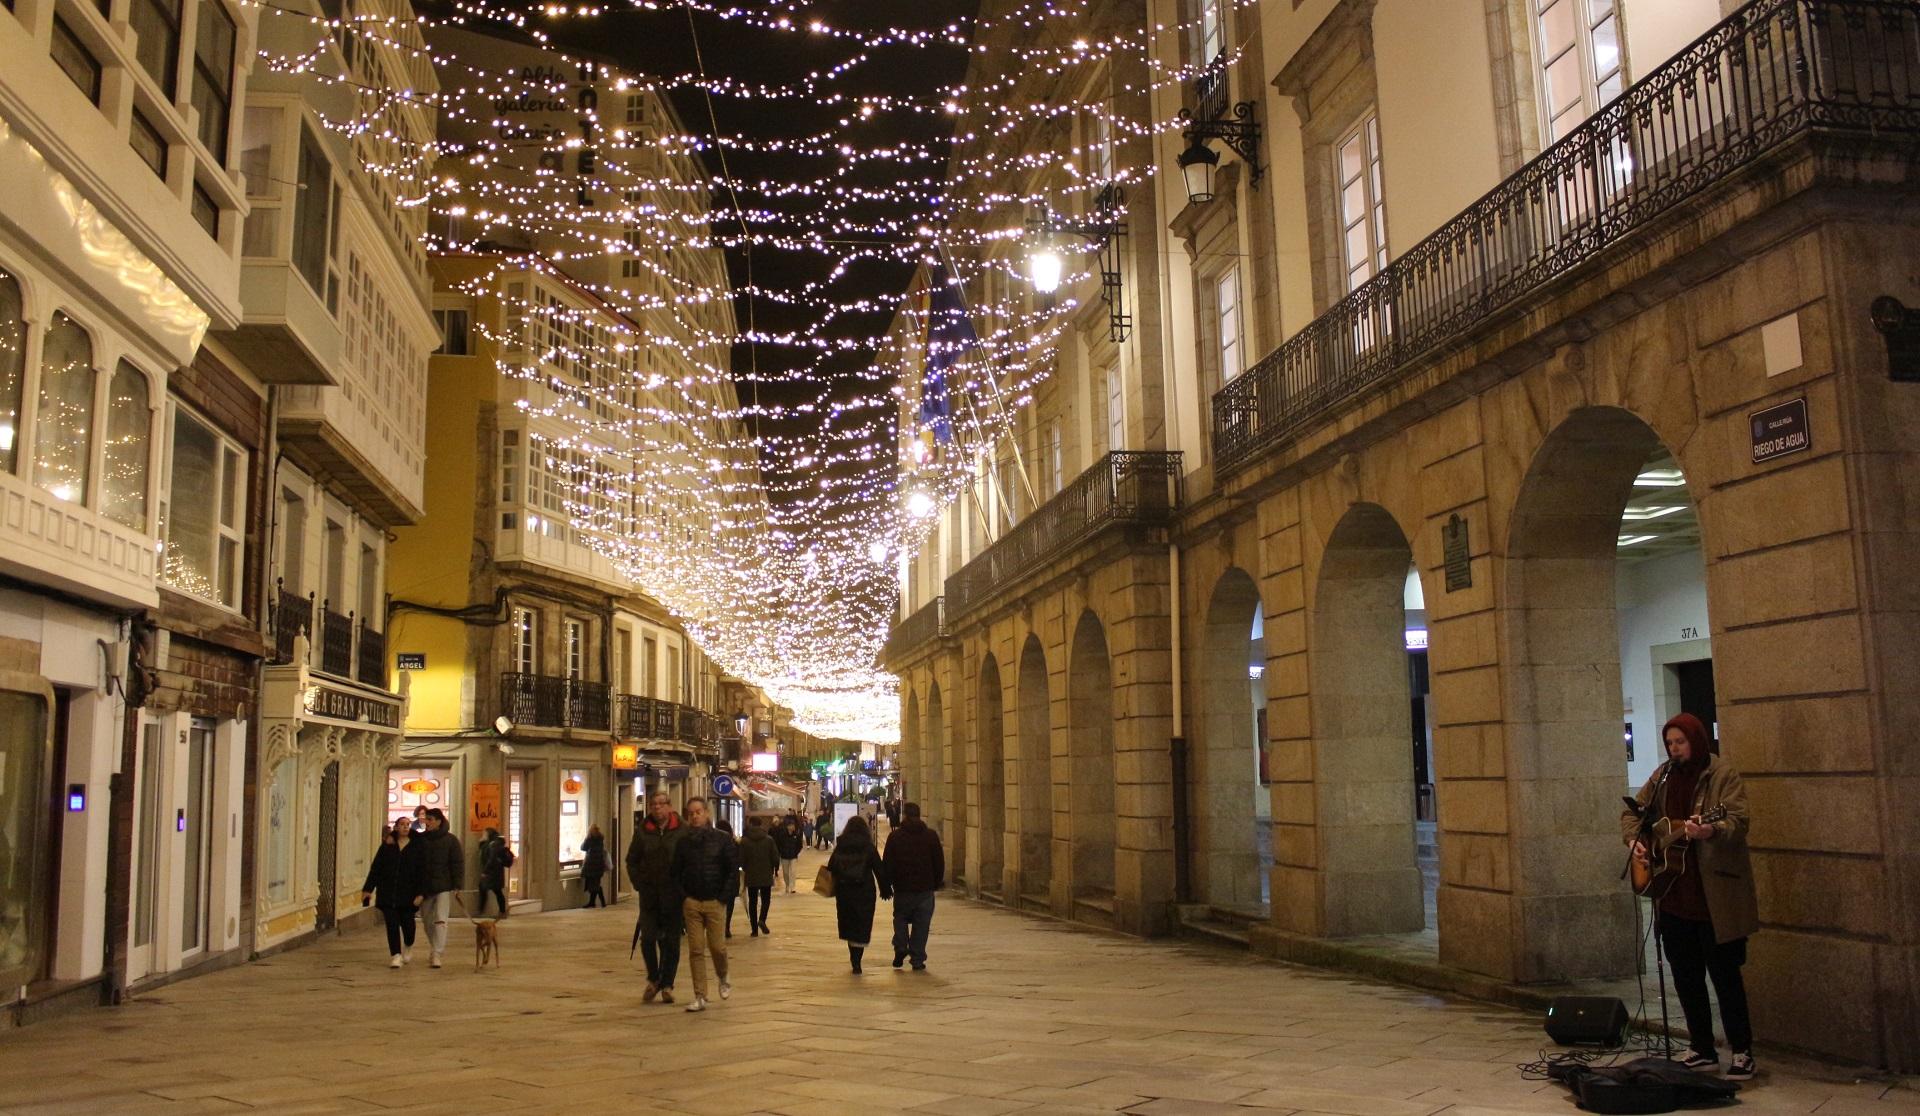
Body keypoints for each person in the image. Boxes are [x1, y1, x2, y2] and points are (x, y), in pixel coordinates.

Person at [1622, 712, 1758, 1081]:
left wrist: (1710, 829)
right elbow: (1633, 812)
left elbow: (1738, 821)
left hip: (1714, 897)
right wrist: (1637, 843)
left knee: (1725, 976)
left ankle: (1742, 1050)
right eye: (1670, 743)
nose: (1674, 749)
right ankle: (1701, 1048)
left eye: (1680, 742)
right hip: (1674, 894)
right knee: (1686, 975)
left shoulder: (1721, 775)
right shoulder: (1663, 776)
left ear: (1695, 741)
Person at [671, 799, 740, 1011]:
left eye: (698, 812)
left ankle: (723, 974)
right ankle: (700, 995)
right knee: (696, 950)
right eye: (691, 813)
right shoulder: (683, 843)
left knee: (717, 947)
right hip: (692, 902)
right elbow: (676, 872)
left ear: (707, 814)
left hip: (714, 901)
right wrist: (684, 896)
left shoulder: (722, 839)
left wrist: (723, 897)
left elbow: (732, 870)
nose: (694, 816)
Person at [624, 791, 686, 1004]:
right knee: (648, 939)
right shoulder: (643, 831)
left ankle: (667, 984)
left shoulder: (682, 830)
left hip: (674, 895)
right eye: (654, 804)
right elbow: (631, 860)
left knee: (671, 942)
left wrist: (683, 887)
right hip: (650, 895)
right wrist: (639, 884)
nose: (657, 808)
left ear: (669, 806)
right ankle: (654, 978)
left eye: (661, 804)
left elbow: (689, 861)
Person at [883, 801, 945, 971]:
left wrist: (886, 885)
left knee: (900, 918)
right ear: (919, 815)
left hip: (902, 888)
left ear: (904, 815)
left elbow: (887, 863)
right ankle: (917, 959)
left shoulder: (895, 837)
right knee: (922, 924)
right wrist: (936, 882)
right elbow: (939, 862)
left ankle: (901, 945)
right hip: (925, 888)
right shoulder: (931, 836)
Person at [827, 815, 890, 974]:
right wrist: (885, 889)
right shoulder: (868, 847)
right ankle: (857, 959)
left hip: (844, 891)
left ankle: (853, 958)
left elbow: (831, 866)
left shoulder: (840, 846)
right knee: (862, 924)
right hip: (864, 892)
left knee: (849, 923)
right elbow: (879, 869)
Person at [361, 818, 420, 968]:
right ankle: (395, 955)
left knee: (408, 926)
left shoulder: (417, 846)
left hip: (408, 894)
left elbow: (423, 871)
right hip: (388, 892)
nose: (405, 827)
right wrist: (368, 889)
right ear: (396, 827)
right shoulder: (387, 846)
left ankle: (408, 944)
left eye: (407, 825)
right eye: (402, 825)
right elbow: (376, 868)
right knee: (392, 924)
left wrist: (421, 893)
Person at [410, 807, 463, 969]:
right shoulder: (420, 840)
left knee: (440, 920)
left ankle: (437, 953)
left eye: (430, 819)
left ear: (439, 821)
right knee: (427, 921)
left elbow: (457, 863)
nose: (427, 822)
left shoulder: (451, 840)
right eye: (426, 819)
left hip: (444, 886)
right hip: (425, 887)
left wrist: (457, 884)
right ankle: (435, 947)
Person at [739, 816, 781, 936]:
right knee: (766, 900)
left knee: (752, 902)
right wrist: (774, 869)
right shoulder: (769, 840)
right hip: (766, 874)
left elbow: (741, 860)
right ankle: (762, 919)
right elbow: (775, 857)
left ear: (751, 824)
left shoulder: (745, 841)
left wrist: (746, 867)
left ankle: (754, 930)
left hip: (751, 875)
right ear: (761, 825)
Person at [475, 827, 513, 916]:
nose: (483, 835)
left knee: (493, 890)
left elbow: (491, 859)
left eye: (484, 834)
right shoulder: (492, 843)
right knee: (492, 890)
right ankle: (500, 911)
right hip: (495, 873)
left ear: (489, 834)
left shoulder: (494, 844)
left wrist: (485, 871)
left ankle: (498, 911)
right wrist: (481, 842)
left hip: (493, 873)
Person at [716, 816, 741, 937]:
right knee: (729, 905)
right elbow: (738, 861)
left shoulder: (714, 844)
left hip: (718, 879)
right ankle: (726, 927)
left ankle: (721, 927)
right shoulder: (734, 843)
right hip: (732, 878)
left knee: (719, 905)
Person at [771, 812, 803, 895]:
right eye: (791, 825)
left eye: (793, 825)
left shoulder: (796, 834)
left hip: (793, 856)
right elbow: (778, 844)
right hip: (784, 856)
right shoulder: (782, 834)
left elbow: (800, 844)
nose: (793, 827)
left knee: (793, 871)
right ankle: (787, 885)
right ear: (788, 826)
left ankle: (792, 887)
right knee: (785, 872)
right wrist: (781, 852)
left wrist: (796, 852)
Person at [580, 825, 609, 908]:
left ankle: (598, 902)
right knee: (596, 884)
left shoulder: (590, 838)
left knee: (593, 884)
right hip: (599, 865)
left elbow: (583, 847)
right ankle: (594, 902)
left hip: (591, 865)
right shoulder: (600, 838)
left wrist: (586, 838)